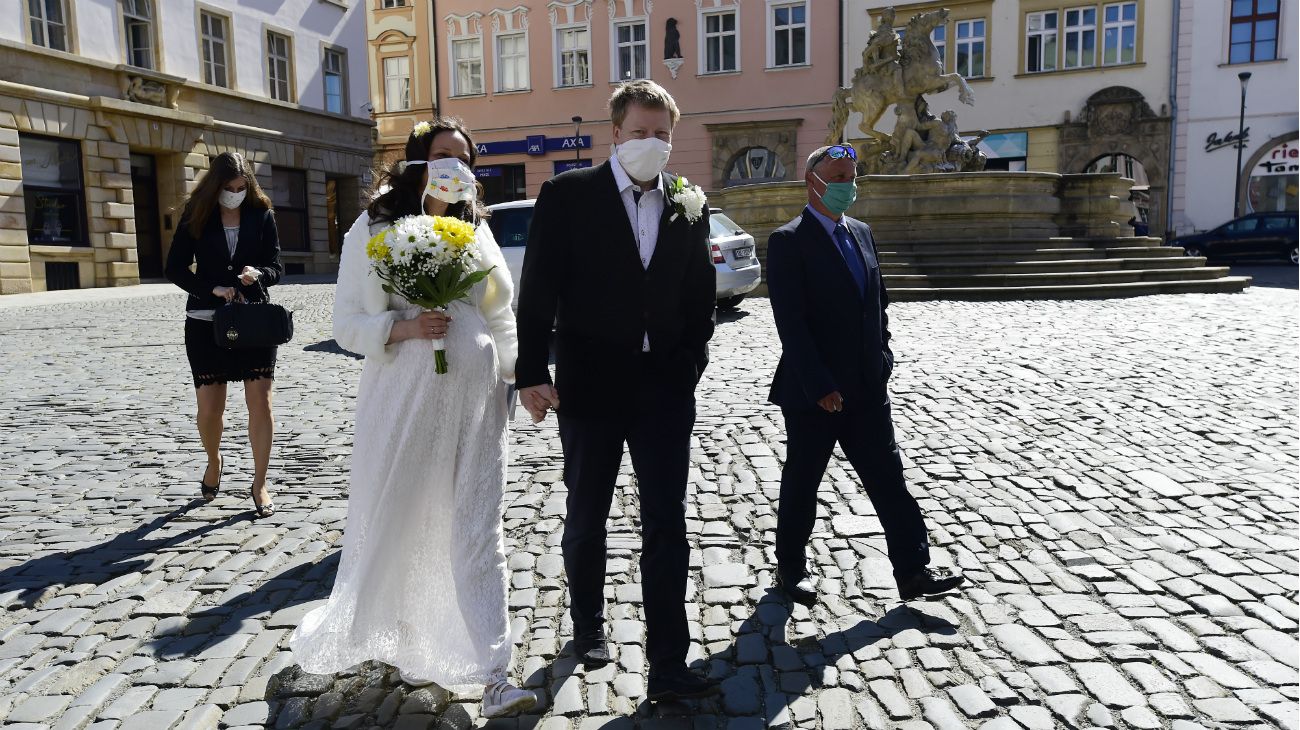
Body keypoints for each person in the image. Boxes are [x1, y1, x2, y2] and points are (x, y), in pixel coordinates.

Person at [288, 118, 535, 719]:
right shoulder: (374, 227)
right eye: (442, 155)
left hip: (476, 402)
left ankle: (496, 671)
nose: (455, 167)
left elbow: (502, 314)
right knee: (397, 517)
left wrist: (521, 376)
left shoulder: (477, 230)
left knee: (480, 527)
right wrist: (402, 326)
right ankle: (401, 634)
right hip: (404, 396)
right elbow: (345, 322)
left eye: (464, 159)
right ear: (417, 162)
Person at [515, 80, 718, 702]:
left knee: (667, 524)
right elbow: (540, 290)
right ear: (616, 134)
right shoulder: (568, 194)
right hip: (591, 385)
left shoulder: (688, 203)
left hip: (662, 389)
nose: (651, 144)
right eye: (640, 133)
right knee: (587, 517)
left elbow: (699, 296)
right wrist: (530, 372)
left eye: (662, 134)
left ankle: (668, 665)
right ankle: (588, 627)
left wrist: (687, 364)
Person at [766, 144, 965, 607]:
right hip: (815, 393)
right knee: (803, 482)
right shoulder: (788, 240)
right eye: (838, 177)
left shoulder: (861, 232)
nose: (847, 186)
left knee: (889, 480)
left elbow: (879, 303)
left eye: (852, 177)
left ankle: (914, 570)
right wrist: (820, 386)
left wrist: (884, 356)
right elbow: (790, 324)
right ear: (812, 182)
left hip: (867, 387)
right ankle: (791, 570)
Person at [164, 151, 281, 518]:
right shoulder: (196, 215)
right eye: (229, 188)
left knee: (260, 403)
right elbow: (174, 268)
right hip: (205, 322)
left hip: (253, 322)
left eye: (241, 187)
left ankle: (259, 482)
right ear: (216, 187)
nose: (236, 193)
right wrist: (209, 288)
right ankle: (214, 460)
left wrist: (259, 274)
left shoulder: (261, 214)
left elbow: (277, 265)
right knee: (210, 409)